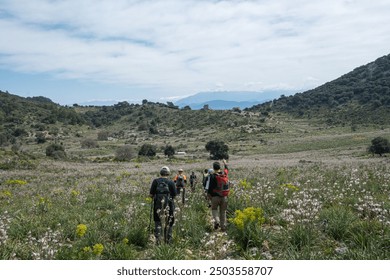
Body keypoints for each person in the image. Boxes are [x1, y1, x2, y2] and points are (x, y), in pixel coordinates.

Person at [149, 166, 176, 244]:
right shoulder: (171, 182)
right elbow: (174, 195)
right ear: (168, 173)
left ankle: (158, 240)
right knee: (170, 221)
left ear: (160, 173)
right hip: (169, 205)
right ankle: (168, 239)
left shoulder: (155, 181)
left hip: (157, 205)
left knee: (157, 221)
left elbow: (151, 194)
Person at [206, 159, 229, 231]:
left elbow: (209, 188)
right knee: (223, 212)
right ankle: (223, 227)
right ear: (219, 167)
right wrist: (225, 163)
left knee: (214, 209)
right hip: (224, 197)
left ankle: (217, 221)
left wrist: (209, 196)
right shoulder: (224, 174)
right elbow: (226, 169)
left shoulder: (212, 176)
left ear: (213, 168)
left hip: (215, 197)